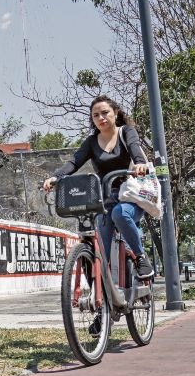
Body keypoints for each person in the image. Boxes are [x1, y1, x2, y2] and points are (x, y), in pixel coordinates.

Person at [42, 95, 155, 281]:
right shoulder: (91, 142)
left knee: (120, 214)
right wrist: (56, 177)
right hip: (106, 198)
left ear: (115, 113)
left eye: (105, 113)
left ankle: (141, 258)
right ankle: (101, 295)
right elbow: (74, 161)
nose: (101, 118)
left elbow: (135, 148)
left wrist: (140, 163)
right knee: (101, 251)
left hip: (130, 195)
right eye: (96, 115)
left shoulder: (126, 132)